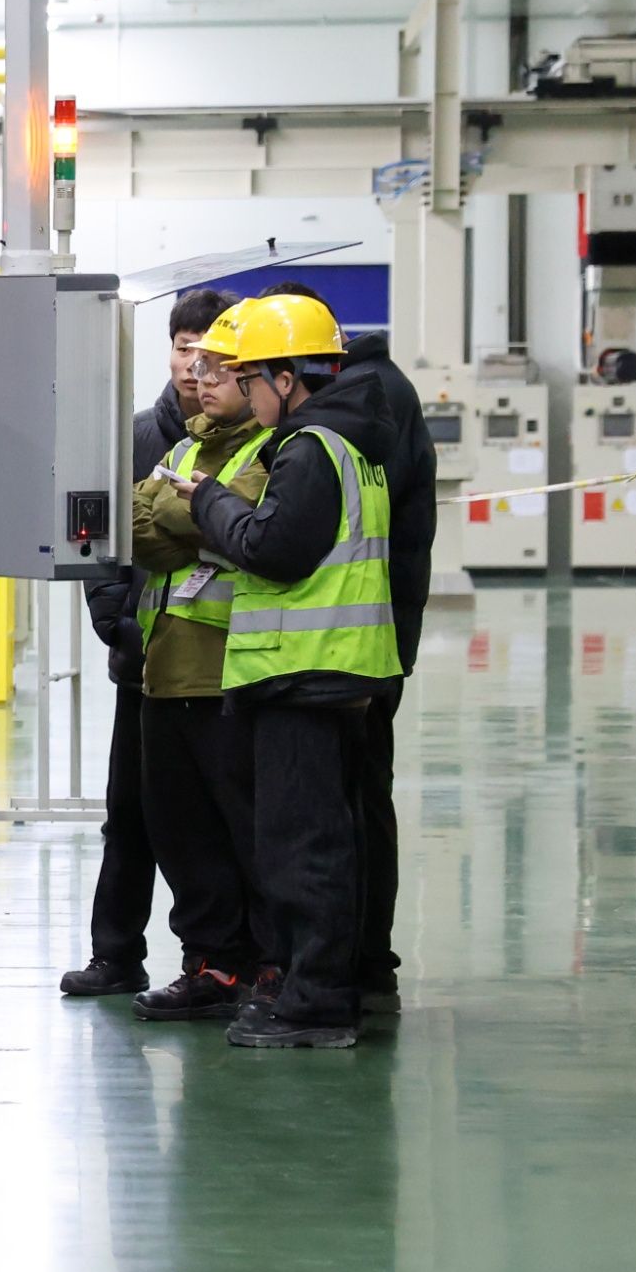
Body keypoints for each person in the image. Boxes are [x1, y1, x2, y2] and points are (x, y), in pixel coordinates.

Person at [172, 291, 403, 1050]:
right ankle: (323, 990)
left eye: (249, 377)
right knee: (325, 839)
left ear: (286, 377)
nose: (242, 390)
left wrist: (209, 504)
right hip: (336, 670)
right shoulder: (354, 443)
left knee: (302, 847)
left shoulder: (309, 448)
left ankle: (314, 1003)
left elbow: (272, 549)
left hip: (306, 671)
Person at [59, 288, 233, 999]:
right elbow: (96, 538)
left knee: (201, 818)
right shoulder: (131, 438)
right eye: (184, 348)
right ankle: (115, 953)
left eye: (209, 353)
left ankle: (211, 959)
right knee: (127, 813)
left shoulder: (243, 442)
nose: (195, 366)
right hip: (141, 660)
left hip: (210, 667)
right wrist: (117, 624)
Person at [121, 340, 267, 1020]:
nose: (203, 381)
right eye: (199, 368)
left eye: (222, 371)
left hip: (230, 671)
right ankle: (209, 964)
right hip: (164, 670)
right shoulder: (182, 448)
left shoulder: (272, 449)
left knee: (243, 828)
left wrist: (190, 513)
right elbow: (136, 529)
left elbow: (242, 525)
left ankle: (263, 966)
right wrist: (200, 516)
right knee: (181, 832)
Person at [328, 318, 437, 1014]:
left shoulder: (372, 400)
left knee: (356, 803)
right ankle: (361, 961)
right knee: (358, 798)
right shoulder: (369, 390)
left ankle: (364, 962)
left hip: (363, 644)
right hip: (364, 638)